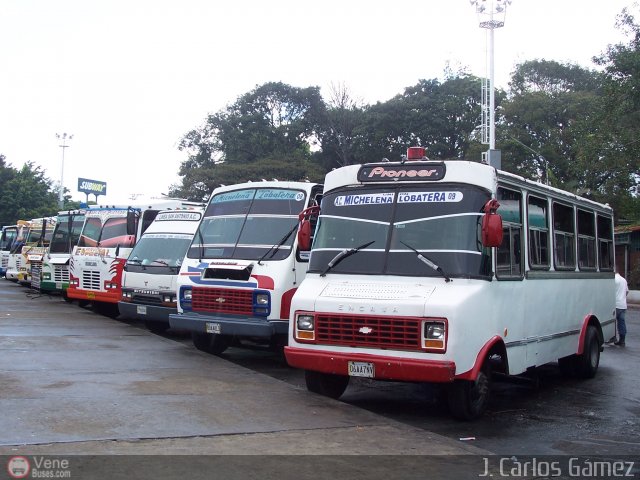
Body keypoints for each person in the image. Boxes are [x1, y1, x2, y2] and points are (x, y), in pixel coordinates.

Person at [614, 272, 629, 347]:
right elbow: (626, 292)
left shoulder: (613, 279)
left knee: (612, 322)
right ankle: (622, 340)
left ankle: (613, 338)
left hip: (615, 304)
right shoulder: (624, 280)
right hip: (623, 305)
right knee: (621, 322)